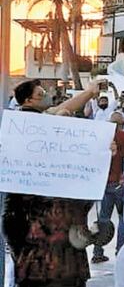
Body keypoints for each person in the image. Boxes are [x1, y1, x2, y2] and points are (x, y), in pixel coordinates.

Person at [3, 79, 108, 287]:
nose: (48, 98)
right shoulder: (28, 125)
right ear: (28, 100)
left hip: (48, 262)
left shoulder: (37, 124)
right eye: (42, 94)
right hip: (46, 260)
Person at [92, 112, 124, 263]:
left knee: (103, 219)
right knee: (123, 219)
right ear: (123, 124)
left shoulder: (101, 140)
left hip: (104, 184)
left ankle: (97, 251)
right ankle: (120, 252)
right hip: (121, 184)